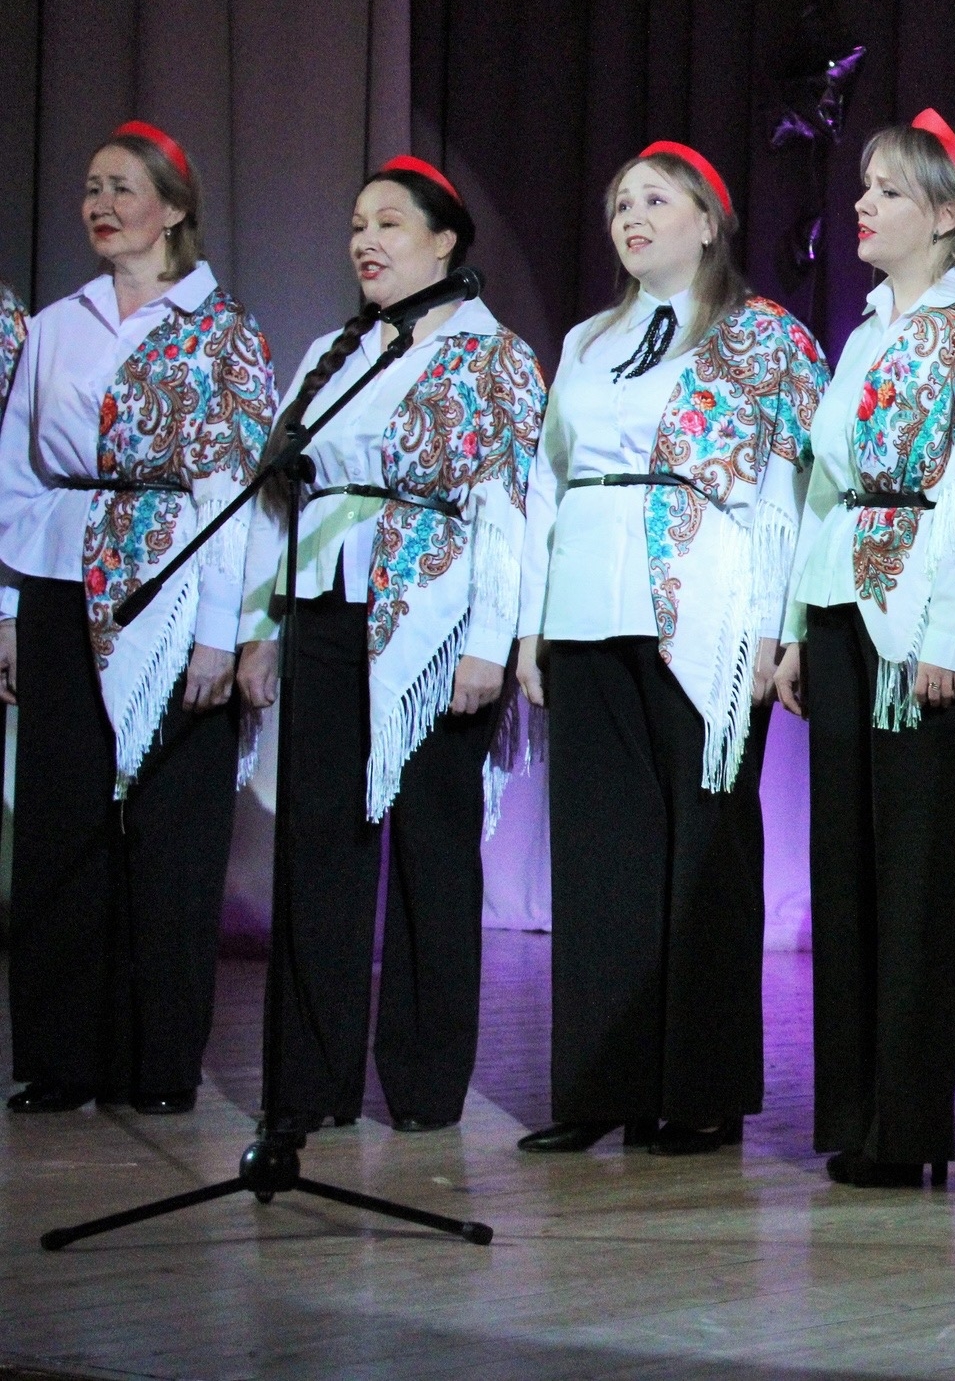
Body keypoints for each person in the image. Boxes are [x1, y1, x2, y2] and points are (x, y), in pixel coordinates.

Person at [514, 141, 827, 1157]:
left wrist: (782, 626)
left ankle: (698, 1087)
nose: (631, 216)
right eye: (617, 204)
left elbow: (789, 489)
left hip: (709, 606)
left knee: (705, 855)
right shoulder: (588, 340)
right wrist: (529, 625)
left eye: (655, 199)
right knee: (602, 854)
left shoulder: (762, 337)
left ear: (707, 219)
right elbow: (546, 488)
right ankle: (600, 1084)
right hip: (587, 606)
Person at [234, 156, 546, 1135]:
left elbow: (509, 510)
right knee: (319, 847)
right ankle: (311, 1081)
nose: (365, 241)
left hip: (438, 622)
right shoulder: (334, 351)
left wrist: (489, 646)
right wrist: (258, 627)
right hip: (329, 612)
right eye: (356, 225)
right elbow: (275, 500)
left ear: (445, 239)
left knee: (430, 851)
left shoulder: (496, 359)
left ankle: (420, 1083)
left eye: (390, 224)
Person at [774, 110, 955, 1188]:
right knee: (847, 866)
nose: (861, 205)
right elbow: (826, 489)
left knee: (922, 878)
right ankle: (854, 1108)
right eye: (862, 187)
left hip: (930, 624)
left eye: (885, 190)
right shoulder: (865, 336)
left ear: (944, 215)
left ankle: (909, 1119)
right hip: (847, 612)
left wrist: (944, 629)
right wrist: (800, 627)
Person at [0, 121, 276, 1116]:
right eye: (89, 187)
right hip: (59, 586)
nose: (100, 203)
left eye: (122, 186)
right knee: (61, 826)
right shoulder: (58, 323)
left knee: (171, 832)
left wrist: (218, 631)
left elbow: (239, 491)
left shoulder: (221, 329)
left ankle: (159, 1061)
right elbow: (18, 472)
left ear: (173, 208)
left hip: (170, 581)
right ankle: (60, 1057)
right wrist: (5, 609)